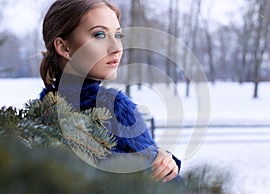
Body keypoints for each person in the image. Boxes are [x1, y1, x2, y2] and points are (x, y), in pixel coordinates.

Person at [39, 0, 182, 184]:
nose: (116, 48)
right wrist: (163, 167)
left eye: (118, 35)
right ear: (64, 47)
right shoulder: (113, 107)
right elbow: (163, 185)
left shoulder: (44, 108)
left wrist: (165, 160)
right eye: (99, 35)